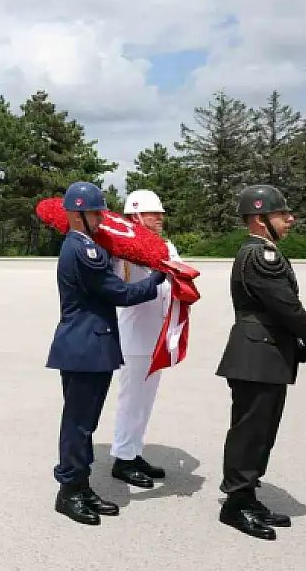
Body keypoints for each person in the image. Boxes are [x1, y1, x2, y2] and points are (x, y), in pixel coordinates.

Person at [46, 182, 167, 526]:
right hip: (83, 347)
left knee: (86, 424)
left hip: (91, 346)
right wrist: (158, 276)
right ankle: (69, 491)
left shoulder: (87, 245)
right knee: (78, 425)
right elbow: (120, 293)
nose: (102, 217)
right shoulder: (83, 250)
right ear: (76, 214)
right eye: (96, 212)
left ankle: (80, 486)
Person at [215, 185, 306, 540]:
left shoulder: (263, 251)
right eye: (282, 214)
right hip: (256, 354)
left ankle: (247, 495)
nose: (290, 219)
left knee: (262, 431)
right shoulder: (261, 256)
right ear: (260, 220)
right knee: (250, 430)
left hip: (266, 353)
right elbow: (284, 303)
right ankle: (235, 504)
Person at [109, 190, 179, 487]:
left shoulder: (166, 245)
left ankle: (135, 452)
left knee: (146, 400)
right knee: (131, 399)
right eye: (153, 214)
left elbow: (178, 272)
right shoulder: (121, 247)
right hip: (135, 336)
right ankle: (123, 459)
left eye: (161, 214)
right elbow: (119, 284)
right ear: (135, 215)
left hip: (158, 334)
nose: (159, 218)